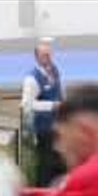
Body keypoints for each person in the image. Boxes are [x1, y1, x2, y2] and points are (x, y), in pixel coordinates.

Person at [22, 42, 65, 188]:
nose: (48, 57)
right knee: (46, 166)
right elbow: (27, 104)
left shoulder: (55, 71)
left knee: (62, 165)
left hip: (59, 127)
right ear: (37, 57)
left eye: (49, 54)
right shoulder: (32, 78)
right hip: (44, 129)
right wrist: (52, 105)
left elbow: (58, 93)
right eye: (44, 55)